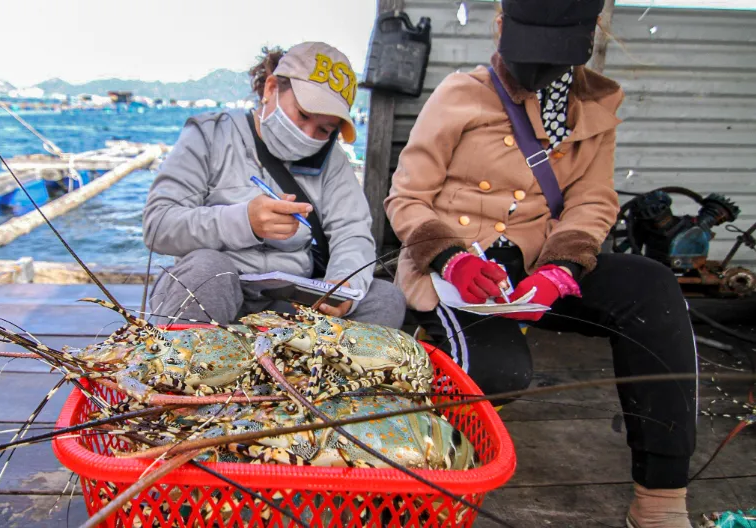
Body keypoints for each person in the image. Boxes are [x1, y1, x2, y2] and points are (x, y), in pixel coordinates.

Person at [383, 1, 697, 527]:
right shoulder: (460, 94)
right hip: (457, 274)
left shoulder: (595, 107)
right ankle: (412, 488)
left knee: (652, 288)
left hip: (536, 270)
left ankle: (660, 497)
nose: (539, 70)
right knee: (498, 372)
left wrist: (561, 269)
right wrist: (452, 259)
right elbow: (405, 197)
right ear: (502, 27)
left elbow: (592, 202)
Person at [143, 42, 406, 330]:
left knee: (385, 299)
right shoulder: (210, 134)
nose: (307, 135)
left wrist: (343, 284)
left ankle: (314, 374)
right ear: (271, 89)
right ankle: (186, 369)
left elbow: (352, 232)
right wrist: (245, 222)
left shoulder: (333, 160)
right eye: (304, 115)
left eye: (324, 130)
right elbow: (158, 226)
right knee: (207, 271)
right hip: (217, 293)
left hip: (292, 303)